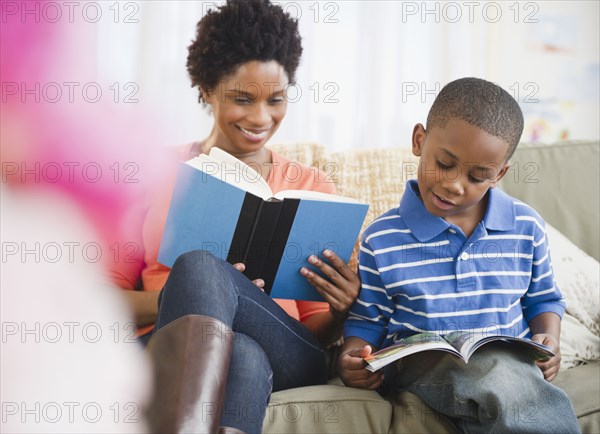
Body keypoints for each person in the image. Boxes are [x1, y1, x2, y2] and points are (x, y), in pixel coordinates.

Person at [115, 1, 360, 433]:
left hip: (289, 352)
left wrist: (341, 312)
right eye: (242, 99)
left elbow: (313, 331)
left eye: (276, 100)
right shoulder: (148, 175)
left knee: (205, 276)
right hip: (164, 346)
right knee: (236, 342)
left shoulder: (312, 185)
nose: (261, 118)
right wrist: (199, 294)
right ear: (207, 90)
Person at [338, 77, 581, 433]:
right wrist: (352, 358)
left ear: (499, 174)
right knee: (500, 379)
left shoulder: (525, 227)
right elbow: (368, 321)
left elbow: (544, 299)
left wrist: (550, 339)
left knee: (503, 381)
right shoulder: (382, 238)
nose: (454, 184)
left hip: (509, 364)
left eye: (477, 176)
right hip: (423, 367)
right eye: (446, 163)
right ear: (419, 140)